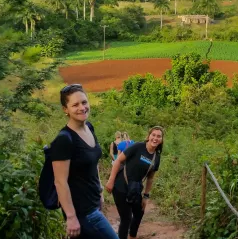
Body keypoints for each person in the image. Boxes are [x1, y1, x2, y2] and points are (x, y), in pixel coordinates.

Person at [51, 84, 118, 239]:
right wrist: (71, 217)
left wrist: (99, 189)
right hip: (82, 211)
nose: (82, 107)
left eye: (84, 102)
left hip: (94, 203)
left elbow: (92, 163)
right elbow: (60, 182)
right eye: (75, 105)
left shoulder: (89, 127)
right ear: (65, 109)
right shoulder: (64, 140)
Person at [105, 126, 164, 239]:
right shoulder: (138, 147)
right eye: (153, 135)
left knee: (139, 213)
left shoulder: (157, 157)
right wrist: (111, 180)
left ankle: (132, 236)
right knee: (126, 218)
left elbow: (150, 178)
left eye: (158, 136)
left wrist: (146, 196)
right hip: (120, 185)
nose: (155, 138)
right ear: (149, 136)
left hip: (136, 188)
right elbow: (118, 161)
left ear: (161, 139)